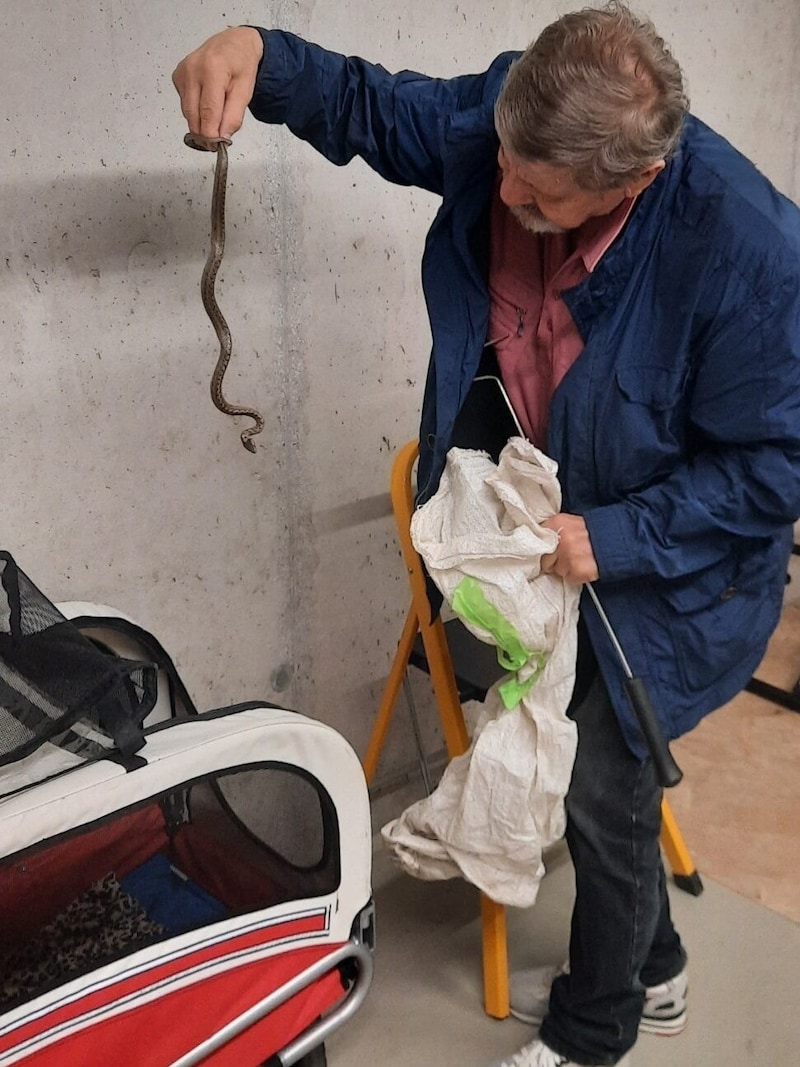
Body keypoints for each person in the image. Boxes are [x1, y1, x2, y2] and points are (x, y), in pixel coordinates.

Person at [173, 4, 800, 1065]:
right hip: (544, 515)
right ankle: (654, 964)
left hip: (666, 568)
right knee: (580, 766)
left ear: (631, 182)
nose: (502, 193)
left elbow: (772, 468)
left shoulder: (748, 253)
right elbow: (371, 104)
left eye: (538, 196)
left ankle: (594, 1028)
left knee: (601, 785)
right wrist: (258, 56)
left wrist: (616, 533)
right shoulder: (505, 126)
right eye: (503, 162)